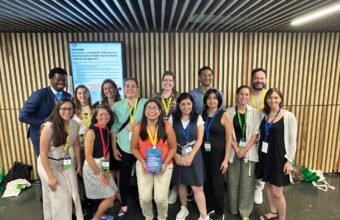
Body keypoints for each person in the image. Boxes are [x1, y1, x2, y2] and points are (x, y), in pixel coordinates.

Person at [37, 98, 83, 220]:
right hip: (47, 162)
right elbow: (42, 153)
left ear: (73, 110)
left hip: (65, 161)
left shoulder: (75, 124)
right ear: (58, 110)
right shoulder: (48, 127)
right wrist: (50, 176)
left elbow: (76, 145)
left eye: (70, 109)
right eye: (63, 108)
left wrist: (79, 163)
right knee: (60, 195)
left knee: (74, 192)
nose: (67, 111)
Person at [131, 100, 177, 220]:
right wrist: (143, 162)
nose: (152, 110)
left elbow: (173, 148)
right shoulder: (138, 128)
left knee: (160, 198)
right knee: (145, 198)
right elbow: (134, 148)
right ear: (144, 112)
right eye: (149, 108)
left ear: (160, 111)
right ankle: (149, 216)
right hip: (144, 165)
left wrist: (165, 163)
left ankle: (162, 217)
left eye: (155, 108)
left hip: (164, 165)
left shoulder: (167, 127)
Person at [255, 88, 297, 220]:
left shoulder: (288, 116)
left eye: (276, 97)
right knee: (267, 184)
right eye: (270, 98)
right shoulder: (263, 115)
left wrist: (289, 160)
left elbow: (292, 140)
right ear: (266, 100)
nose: (273, 100)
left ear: (280, 99)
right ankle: (273, 211)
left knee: (277, 192)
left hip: (279, 158)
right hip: (265, 156)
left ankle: (282, 218)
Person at [111, 78, 148, 218]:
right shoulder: (117, 105)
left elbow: (151, 119)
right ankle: (124, 204)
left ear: (137, 88)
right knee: (124, 176)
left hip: (142, 145)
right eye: (127, 86)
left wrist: (137, 125)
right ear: (123, 88)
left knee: (144, 175)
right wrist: (114, 148)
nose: (130, 88)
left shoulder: (145, 103)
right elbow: (114, 128)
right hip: (123, 145)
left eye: (133, 86)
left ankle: (145, 204)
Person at [168, 93, 209, 220]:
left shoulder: (198, 118)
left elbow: (200, 139)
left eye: (189, 104)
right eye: (183, 104)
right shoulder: (172, 118)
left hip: (194, 155)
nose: (186, 107)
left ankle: (203, 215)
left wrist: (191, 156)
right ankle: (184, 208)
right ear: (179, 106)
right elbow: (169, 139)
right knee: (181, 184)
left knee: (198, 187)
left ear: (192, 104)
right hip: (178, 154)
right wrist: (174, 155)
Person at [226, 86, 261, 220]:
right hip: (234, 151)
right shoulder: (228, 112)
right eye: (241, 94)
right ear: (237, 95)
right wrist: (236, 149)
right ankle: (233, 207)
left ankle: (245, 211)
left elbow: (255, 133)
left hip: (249, 151)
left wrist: (245, 150)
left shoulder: (255, 113)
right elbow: (228, 134)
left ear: (249, 96)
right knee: (233, 180)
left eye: (247, 94)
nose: (244, 97)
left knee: (247, 181)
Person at [19, 67, 71, 156]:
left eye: (64, 80)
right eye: (58, 79)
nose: (62, 82)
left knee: (59, 161)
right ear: (50, 79)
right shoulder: (39, 95)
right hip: (41, 134)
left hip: (60, 134)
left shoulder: (68, 96)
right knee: (44, 162)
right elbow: (23, 116)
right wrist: (46, 122)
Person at [83, 104, 119, 220]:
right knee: (110, 197)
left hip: (102, 164)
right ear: (96, 116)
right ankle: (96, 218)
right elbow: (88, 156)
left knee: (113, 193)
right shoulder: (91, 132)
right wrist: (100, 174)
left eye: (107, 114)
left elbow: (106, 152)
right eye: (101, 114)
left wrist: (106, 170)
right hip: (92, 167)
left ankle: (99, 214)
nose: (104, 116)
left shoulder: (106, 129)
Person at [202, 88, 232, 220]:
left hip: (218, 155)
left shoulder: (224, 115)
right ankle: (210, 208)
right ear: (205, 100)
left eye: (214, 98)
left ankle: (220, 212)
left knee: (217, 183)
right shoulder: (202, 114)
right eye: (209, 98)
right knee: (206, 182)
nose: (212, 101)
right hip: (204, 154)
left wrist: (226, 160)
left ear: (219, 100)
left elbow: (229, 138)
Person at [152, 70, 180, 204]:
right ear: (162, 82)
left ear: (174, 83)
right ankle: (165, 188)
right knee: (163, 159)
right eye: (165, 80)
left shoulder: (179, 96)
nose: (168, 83)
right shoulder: (155, 96)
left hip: (175, 133)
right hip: (159, 134)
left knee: (173, 160)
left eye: (170, 80)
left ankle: (174, 189)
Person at [93, 79, 122, 186]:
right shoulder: (98, 104)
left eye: (110, 88)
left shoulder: (122, 103)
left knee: (119, 166)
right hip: (103, 138)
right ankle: (110, 190)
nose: (108, 90)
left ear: (115, 89)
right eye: (105, 89)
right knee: (107, 165)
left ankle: (119, 190)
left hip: (118, 139)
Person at [73, 85, 94, 209]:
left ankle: (89, 196)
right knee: (79, 169)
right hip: (78, 140)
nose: (82, 95)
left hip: (91, 140)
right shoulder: (73, 109)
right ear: (76, 95)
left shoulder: (93, 108)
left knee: (89, 169)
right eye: (79, 93)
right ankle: (81, 199)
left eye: (85, 93)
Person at [249, 68, 267, 205]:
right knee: (250, 162)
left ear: (265, 80)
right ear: (252, 79)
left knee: (262, 162)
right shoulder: (246, 95)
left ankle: (259, 188)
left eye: (262, 78)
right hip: (249, 136)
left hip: (265, 137)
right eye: (256, 78)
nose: (259, 81)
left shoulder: (269, 96)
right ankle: (248, 187)